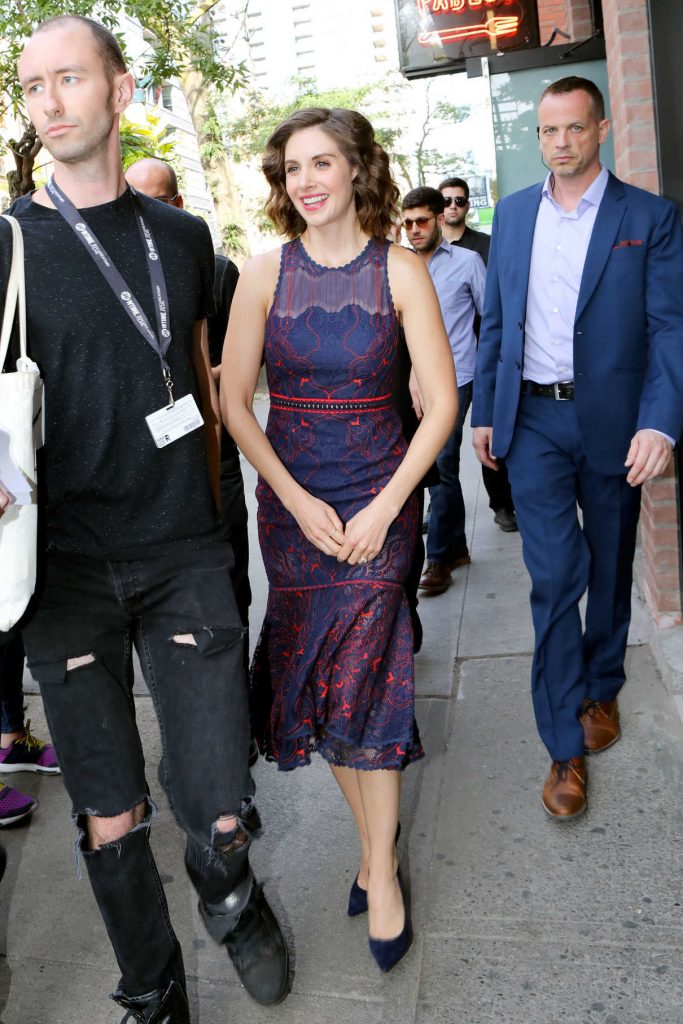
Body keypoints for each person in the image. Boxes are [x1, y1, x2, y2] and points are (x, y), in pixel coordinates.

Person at [1, 15, 289, 1021]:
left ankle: (227, 884)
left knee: (220, 801)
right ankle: (154, 990)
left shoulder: (182, 234)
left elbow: (199, 371)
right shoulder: (6, 245)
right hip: (64, 569)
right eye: (32, 84)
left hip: (179, 547)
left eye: (67, 78)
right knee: (108, 813)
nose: (46, 100)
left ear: (121, 93)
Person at [221, 107, 457, 972]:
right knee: (321, 689)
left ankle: (380, 878)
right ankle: (374, 846)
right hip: (293, 517)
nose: (306, 181)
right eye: (291, 169)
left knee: (370, 686)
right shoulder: (260, 273)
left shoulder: (400, 270)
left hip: (379, 505)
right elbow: (234, 403)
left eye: (322, 162)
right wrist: (290, 496)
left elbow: (440, 404)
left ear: (358, 169)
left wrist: (388, 508)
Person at [472, 76, 683, 821]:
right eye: (547, 131)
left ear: (600, 132)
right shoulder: (514, 214)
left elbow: (668, 327)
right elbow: (495, 321)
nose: (559, 143)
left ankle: (602, 686)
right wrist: (482, 411)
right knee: (555, 575)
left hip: (612, 422)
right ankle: (562, 744)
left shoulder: (647, 218)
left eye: (572, 129)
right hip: (530, 422)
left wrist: (658, 423)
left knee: (608, 559)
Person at [124, 159, 251, 658]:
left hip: (209, 444)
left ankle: (234, 694)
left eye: (153, 200)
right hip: (138, 458)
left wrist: (202, 377)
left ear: (177, 204)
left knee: (226, 573)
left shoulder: (217, 270)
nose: (139, 212)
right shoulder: (104, 272)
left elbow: (244, 356)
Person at [401, 187, 486, 596]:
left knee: (442, 461)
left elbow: (491, 321)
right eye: (408, 223)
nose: (414, 230)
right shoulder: (396, 266)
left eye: (421, 221)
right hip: (412, 382)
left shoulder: (468, 263)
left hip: (459, 376)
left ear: (439, 219)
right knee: (434, 465)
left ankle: (438, 558)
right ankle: (457, 546)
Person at [440, 176, 517, 534]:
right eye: (447, 201)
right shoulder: (422, 254)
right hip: (446, 366)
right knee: (443, 449)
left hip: (484, 362)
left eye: (459, 200)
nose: (453, 206)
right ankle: (441, 511)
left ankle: (502, 503)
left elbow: (495, 307)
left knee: (490, 435)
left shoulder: (484, 246)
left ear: (468, 205)